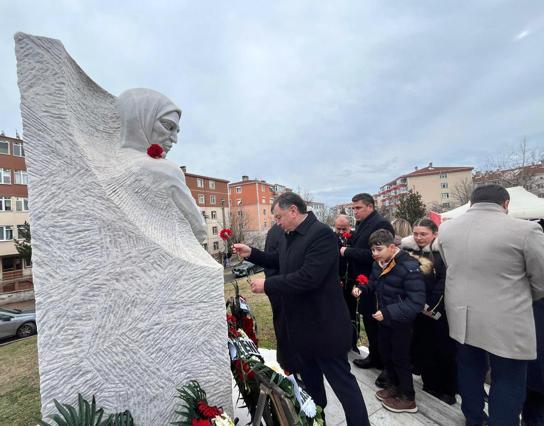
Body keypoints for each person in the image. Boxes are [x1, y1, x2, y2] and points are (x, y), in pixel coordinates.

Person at [233, 192, 370, 426]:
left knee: (343, 386)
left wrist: (268, 285)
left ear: (293, 211)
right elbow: (281, 261)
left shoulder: (321, 235)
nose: (277, 222)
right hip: (302, 329)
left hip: (325, 327)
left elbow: (309, 277)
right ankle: (317, 420)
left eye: (278, 217)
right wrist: (252, 253)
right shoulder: (291, 235)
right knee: (311, 389)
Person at [438, 184, 544, 426]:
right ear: (506, 204)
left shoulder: (446, 229)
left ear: (472, 203)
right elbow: (541, 280)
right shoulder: (526, 229)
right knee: (508, 380)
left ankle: (474, 418)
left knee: (469, 371)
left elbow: (450, 265)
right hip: (508, 318)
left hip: (462, 316)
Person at [353, 229, 425, 413]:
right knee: (387, 354)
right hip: (385, 320)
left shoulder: (409, 266)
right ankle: (394, 386)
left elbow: (416, 302)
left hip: (400, 321)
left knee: (400, 358)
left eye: (379, 249)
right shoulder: (380, 263)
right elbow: (374, 283)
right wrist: (362, 288)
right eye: (372, 251)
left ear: (392, 247)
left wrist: (389, 312)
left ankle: (408, 398)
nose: (375, 254)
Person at [401, 218, 456, 405]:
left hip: (437, 310)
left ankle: (448, 388)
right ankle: (430, 383)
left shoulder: (442, 254)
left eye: (423, 234)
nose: (418, 237)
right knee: (423, 347)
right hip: (416, 307)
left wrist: (431, 306)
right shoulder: (409, 251)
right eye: (415, 233)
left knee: (443, 349)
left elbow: (443, 283)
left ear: (435, 234)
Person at [340, 193, 394, 373]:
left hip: (376, 281)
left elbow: (376, 255)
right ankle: (374, 356)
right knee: (368, 320)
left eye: (358, 208)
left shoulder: (380, 224)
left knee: (377, 323)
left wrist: (347, 252)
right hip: (362, 281)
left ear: (370, 206)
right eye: (353, 208)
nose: (354, 212)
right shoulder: (362, 224)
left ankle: (385, 365)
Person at [263, 223, 300, 373]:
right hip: (282, 287)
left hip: (278, 285)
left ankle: (288, 363)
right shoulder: (283, 231)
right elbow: (277, 260)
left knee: (282, 324)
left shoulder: (276, 230)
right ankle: (290, 366)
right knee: (285, 326)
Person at [335, 214, 359, 354]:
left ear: (349, 226)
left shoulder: (355, 238)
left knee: (352, 312)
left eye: (344, 228)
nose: (341, 231)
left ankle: (353, 342)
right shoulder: (331, 238)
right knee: (338, 313)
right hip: (338, 280)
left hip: (353, 280)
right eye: (338, 228)